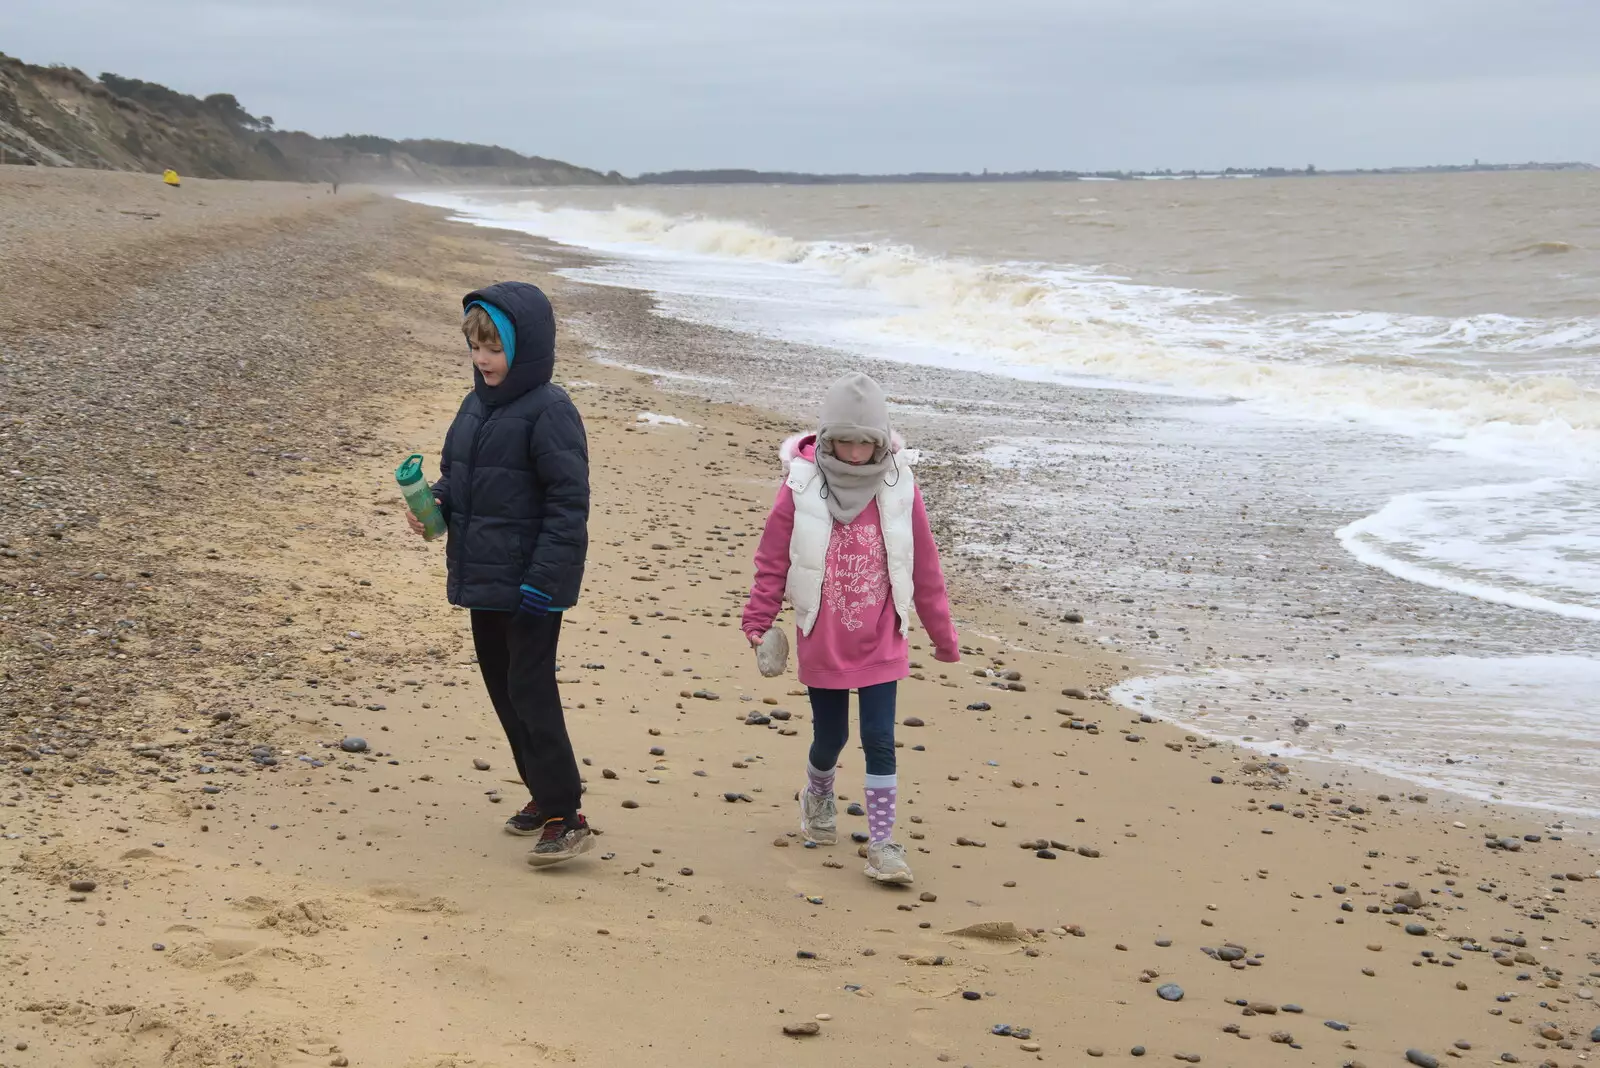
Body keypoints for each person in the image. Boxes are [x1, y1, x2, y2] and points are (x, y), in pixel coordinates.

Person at [742, 371, 959, 884]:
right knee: (832, 735)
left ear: (881, 441)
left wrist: (943, 634)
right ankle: (817, 795)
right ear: (827, 437)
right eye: (846, 441)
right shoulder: (800, 485)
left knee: (880, 737)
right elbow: (772, 560)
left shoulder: (900, 487)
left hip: (884, 634)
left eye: (867, 443)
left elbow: (924, 565)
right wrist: (758, 621)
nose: (857, 453)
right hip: (824, 635)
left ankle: (883, 843)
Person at [404, 282, 593, 867]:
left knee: (531, 691)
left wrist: (543, 579)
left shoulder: (551, 410)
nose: (482, 359)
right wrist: (434, 505)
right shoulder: (474, 405)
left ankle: (568, 813)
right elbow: (457, 474)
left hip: (533, 584)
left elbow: (569, 505)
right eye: (474, 348)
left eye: (493, 347)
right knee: (503, 688)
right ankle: (540, 793)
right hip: (484, 573)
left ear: (525, 346)